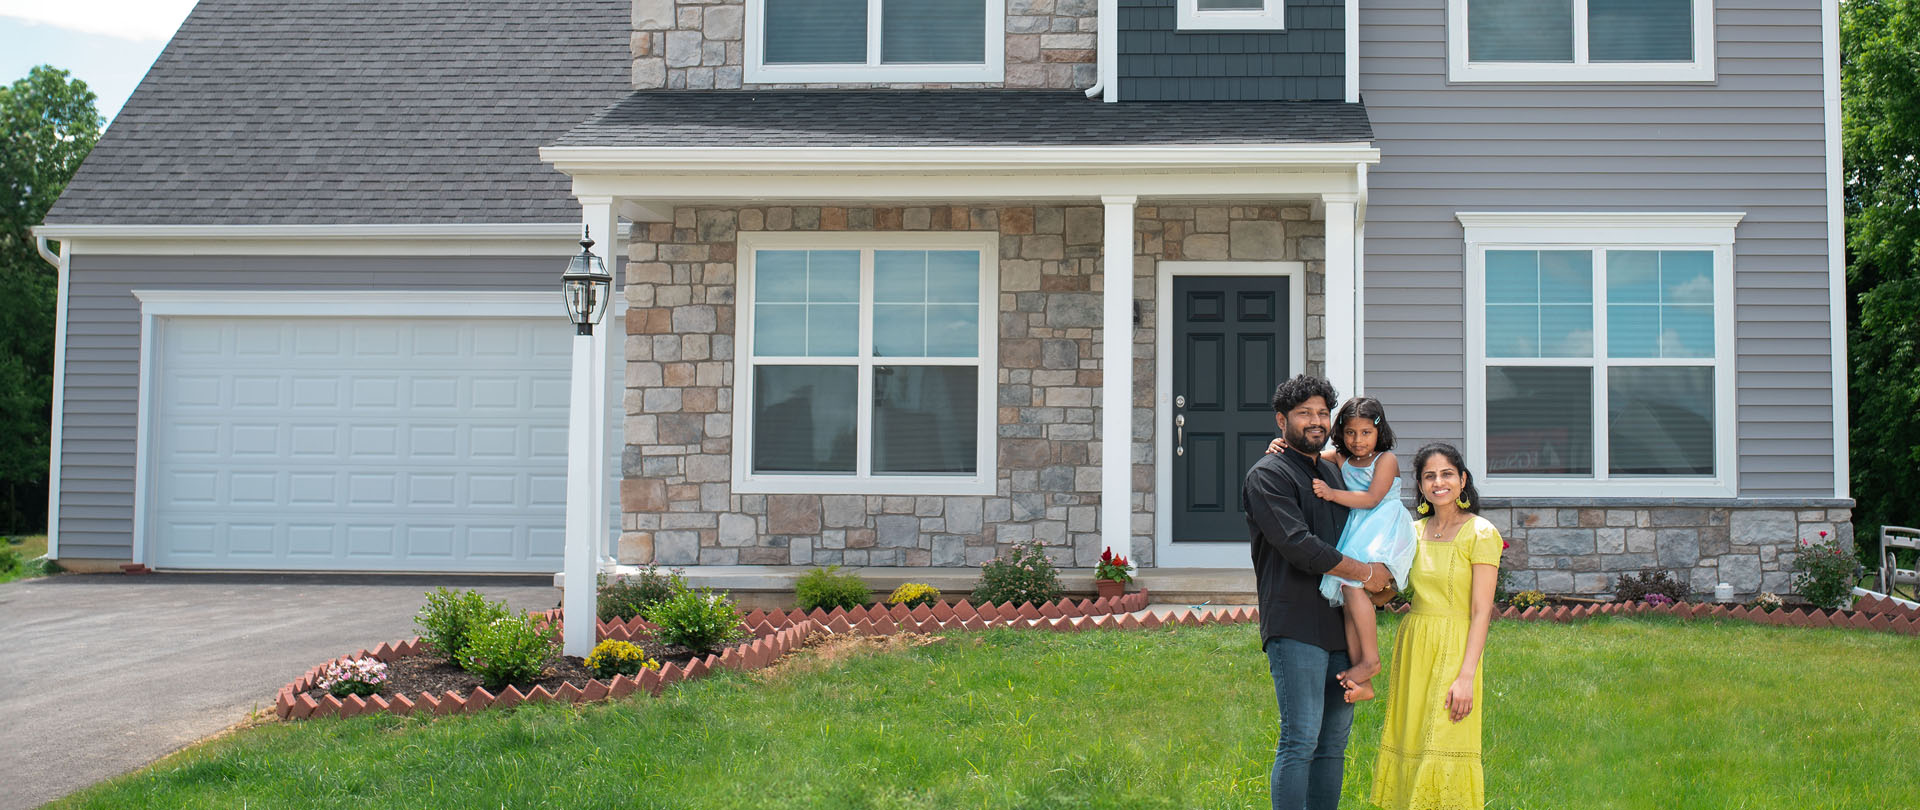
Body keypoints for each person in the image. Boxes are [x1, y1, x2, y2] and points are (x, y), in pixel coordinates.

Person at [1243, 374, 1393, 810]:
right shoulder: (1268, 475)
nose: (1315, 421)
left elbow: (1364, 524)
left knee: (1333, 744)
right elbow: (1298, 546)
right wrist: (1365, 573)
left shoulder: (1331, 470)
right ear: (1281, 420)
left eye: (1323, 413)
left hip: (1339, 624)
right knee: (1301, 738)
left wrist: (1382, 574)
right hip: (1295, 624)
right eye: (1304, 413)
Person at [1370, 442, 1502, 810]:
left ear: (1462, 481)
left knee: (1444, 739)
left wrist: (1466, 677)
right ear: (1421, 486)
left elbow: (1480, 612)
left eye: (1447, 474)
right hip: (1414, 644)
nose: (1438, 482)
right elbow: (1388, 593)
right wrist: (1361, 579)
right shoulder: (1411, 532)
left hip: (1458, 645)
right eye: (1430, 476)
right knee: (1412, 737)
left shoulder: (1481, 533)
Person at [1267, 396, 1416, 704]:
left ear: (1379, 432)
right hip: (1359, 529)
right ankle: (1364, 670)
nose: (1357, 440)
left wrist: (1333, 494)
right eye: (1350, 432)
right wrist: (1278, 446)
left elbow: (1373, 498)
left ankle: (1371, 660)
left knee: (1352, 586)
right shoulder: (1340, 457)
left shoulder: (1385, 459)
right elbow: (1307, 453)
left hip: (1382, 527)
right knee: (1349, 596)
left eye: (1365, 433)